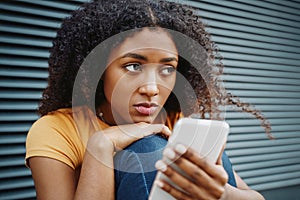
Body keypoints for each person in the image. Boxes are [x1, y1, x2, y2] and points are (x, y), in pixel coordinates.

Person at [25, 0, 272, 199]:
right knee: (148, 151)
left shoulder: (175, 121)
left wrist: (222, 194)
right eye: (133, 66)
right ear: (99, 70)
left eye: (167, 69)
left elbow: (255, 197)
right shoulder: (56, 130)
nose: (152, 88)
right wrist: (100, 145)